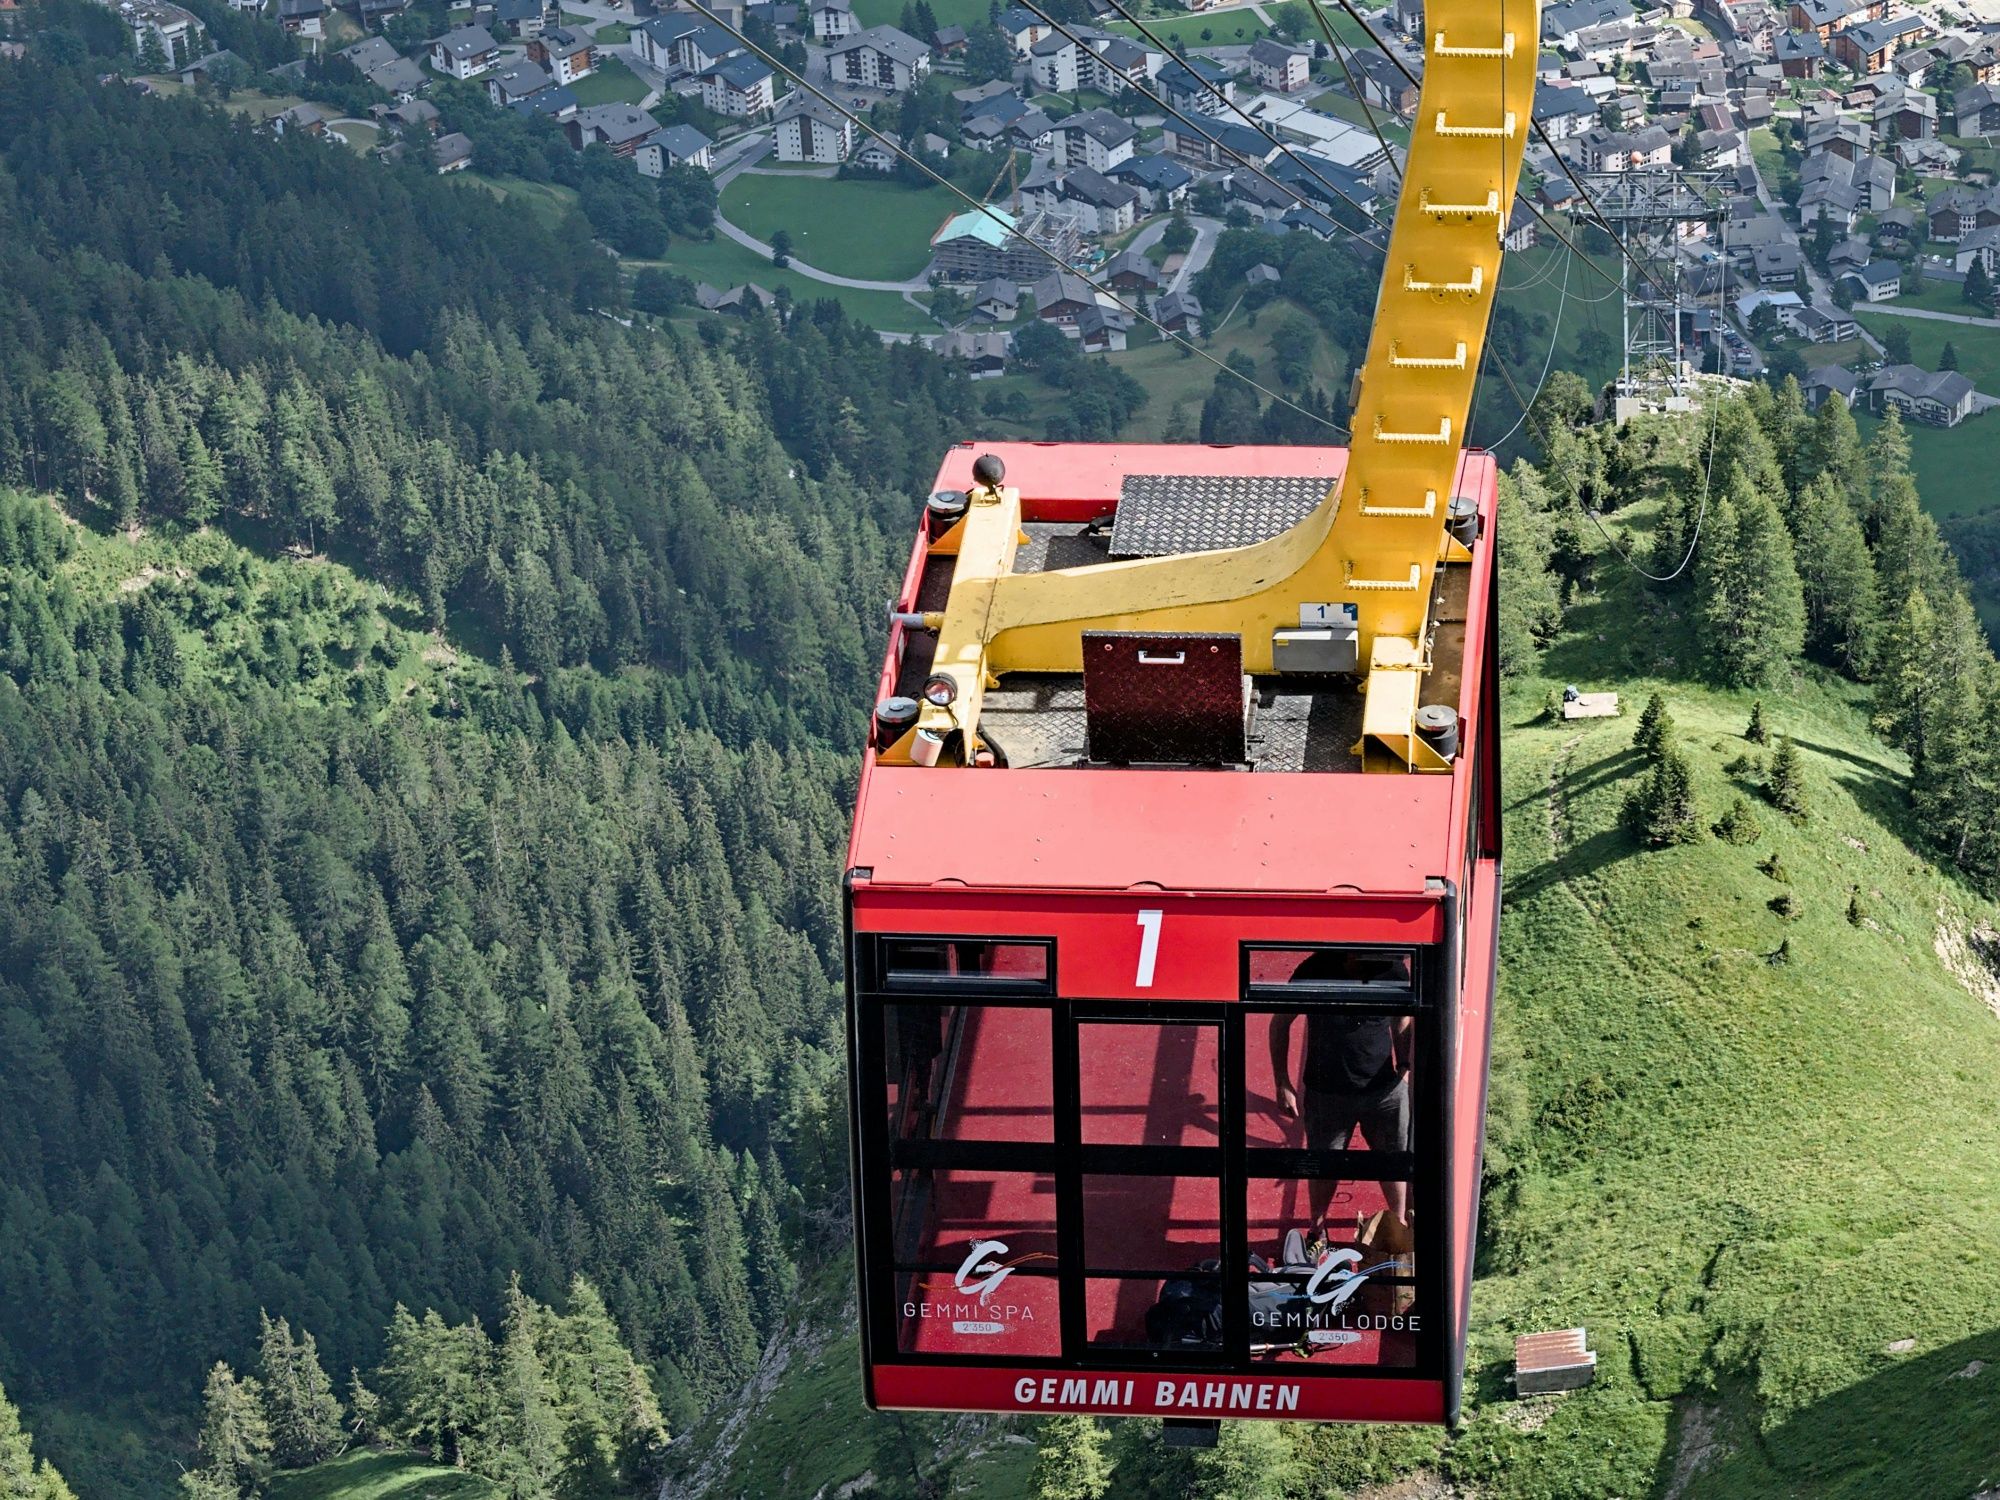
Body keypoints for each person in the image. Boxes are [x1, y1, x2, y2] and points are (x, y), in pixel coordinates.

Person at [1268, 952, 1412, 1229]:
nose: (1382, 967)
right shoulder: (1314, 970)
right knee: (1324, 1164)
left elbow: (1402, 1017)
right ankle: (1317, 1227)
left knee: (1393, 1159)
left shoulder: (1393, 970)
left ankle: (1399, 1224)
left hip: (1384, 1089)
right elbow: (1280, 1021)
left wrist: (1404, 1066)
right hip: (1327, 1093)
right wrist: (1282, 1082)